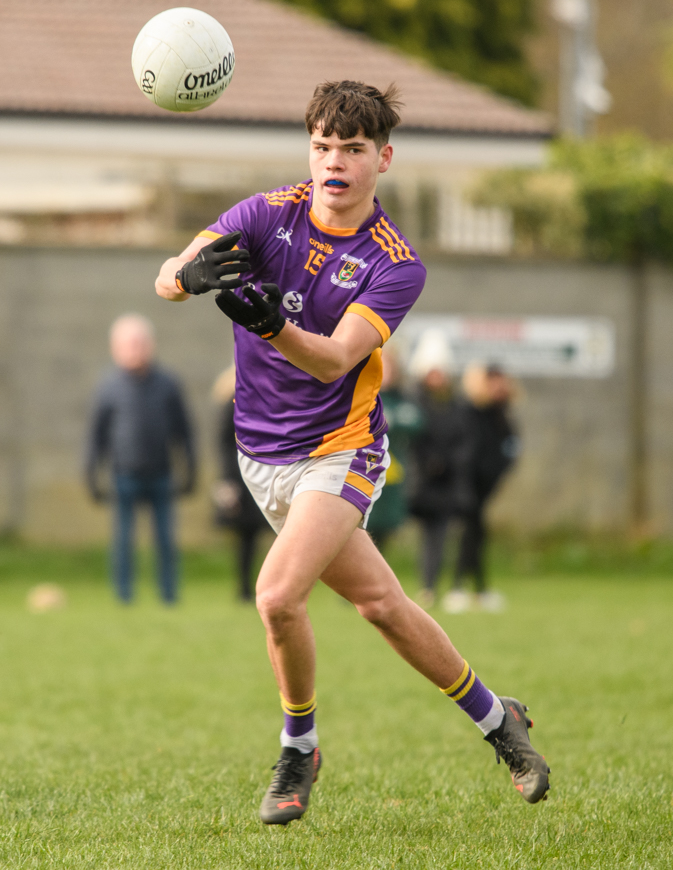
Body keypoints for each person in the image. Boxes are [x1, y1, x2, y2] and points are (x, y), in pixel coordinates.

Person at [155, 80, 549, 824]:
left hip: (340, 450)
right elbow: (167, 279)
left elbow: (335, 360)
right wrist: (189, 275)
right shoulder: (266, 213)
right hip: (259, 453)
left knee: (275, 597)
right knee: (382, 606)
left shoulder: (394, 262)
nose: (334, 161)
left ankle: (298, 746)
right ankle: (501, 720)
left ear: (384, 157)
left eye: (354, 148)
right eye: (323, 145)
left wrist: (269, 324)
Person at [85, 314, 195, 604]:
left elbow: (184, 431)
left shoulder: (168, 384)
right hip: (124, 475)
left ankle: (169, 596)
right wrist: (91, 477)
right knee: (123, 542)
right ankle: (124, 597)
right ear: (115, 348)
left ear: (151, 345)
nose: (136, 349)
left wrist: (191, 470)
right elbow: (96, 436)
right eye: (129, 344)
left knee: (166, 542)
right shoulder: (109, 387)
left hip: (161, 474)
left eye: (140, 343)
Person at [443, 363, 520, 615]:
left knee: (476, 534)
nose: (498, 386)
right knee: (470, 534)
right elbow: (463, 453)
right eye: (491, 380)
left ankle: (477, 589)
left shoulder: (501, 413)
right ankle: (460, 588)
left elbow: (509, 447)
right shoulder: (467, 412)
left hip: (486, 486)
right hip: (465, 486)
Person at [407, 329, 458, 608]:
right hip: (416, 480)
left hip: (443, 482)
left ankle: (429, 586)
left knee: (437, 536)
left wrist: (446, 463)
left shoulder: (453, 405)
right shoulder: (414, 403)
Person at [212, 365, 268, 601]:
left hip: (265, 473)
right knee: (246, 536)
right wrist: (227, 481)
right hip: (242, 477)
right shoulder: (232, 405)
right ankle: (245, 588)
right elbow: (224, 443)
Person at [366, 346, 423, 553]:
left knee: (385, 526)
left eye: (388, 367)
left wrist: (393, 421)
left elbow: (417, 422)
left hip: (393, 472)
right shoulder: (364, 396)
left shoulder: (403, 399)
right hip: (364, 468)